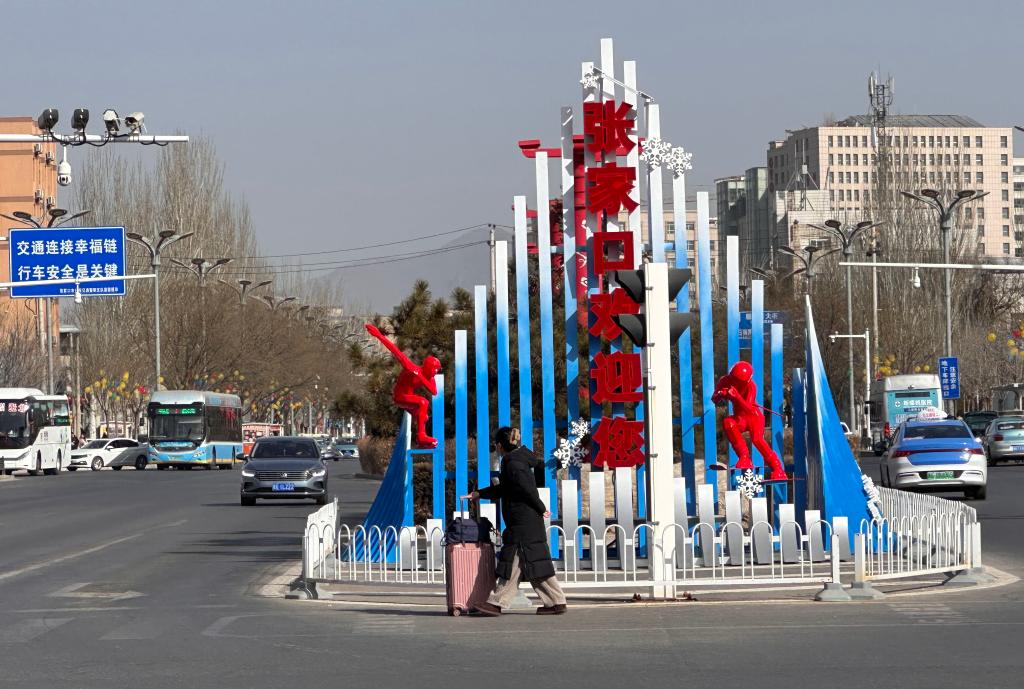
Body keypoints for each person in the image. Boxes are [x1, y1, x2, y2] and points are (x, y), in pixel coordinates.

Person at [463, 426, 567, 616]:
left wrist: (541, 508)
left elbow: (526, 488)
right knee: (533, 561)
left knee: (513, 560)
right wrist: (479, 494)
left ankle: (497, 602)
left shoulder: (512, 462)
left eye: (496, 445)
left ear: (500, 446)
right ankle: (556, 601)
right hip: (526, 520)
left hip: (522, 521)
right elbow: (507, 488)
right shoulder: (517, 459)